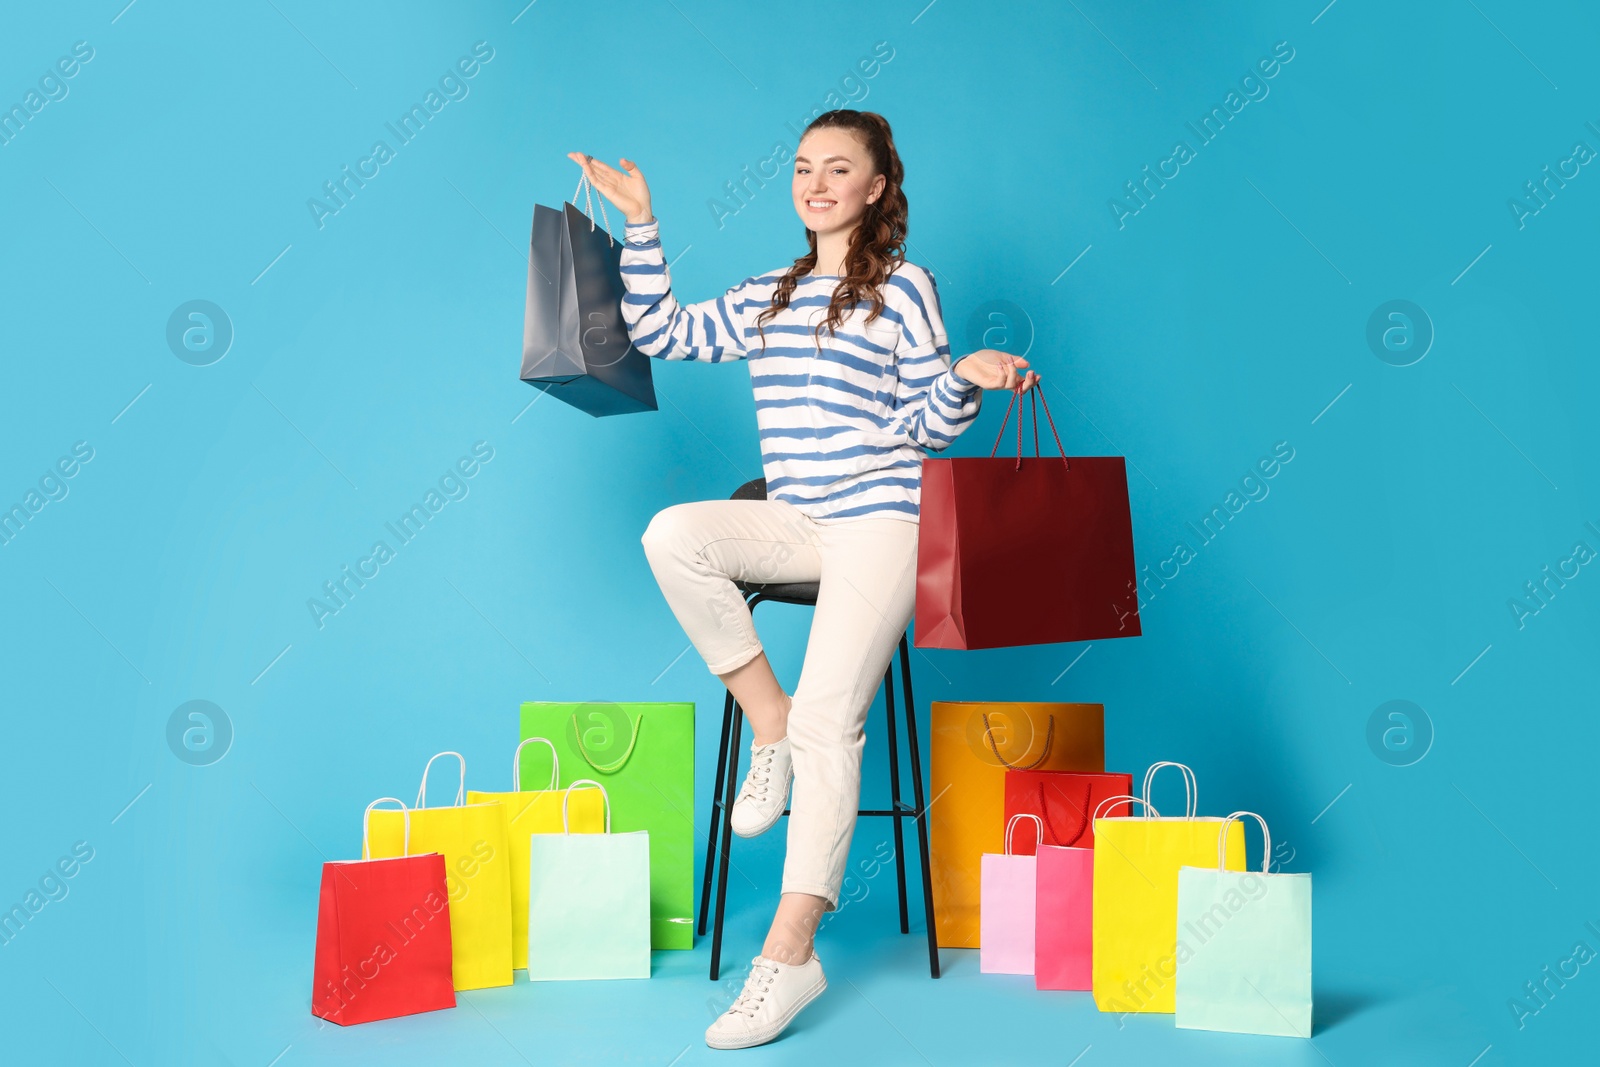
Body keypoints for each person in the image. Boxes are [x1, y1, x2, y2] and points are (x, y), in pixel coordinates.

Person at [568, 109, 1039, 1051]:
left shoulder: (906, 290)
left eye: (838, 169)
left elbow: (923, 424)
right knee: (674, 534)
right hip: (798, 518)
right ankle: (766, 720)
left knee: (836, 721)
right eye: (801, 168)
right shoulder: (767, 294)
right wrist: (642, 222)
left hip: (884, 521)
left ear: (875, 189)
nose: (816, 183)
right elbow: (660, 330)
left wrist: (967, 379)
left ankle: (788, 954)